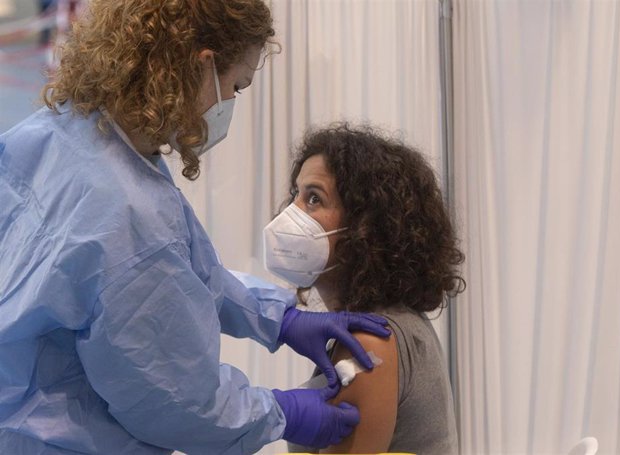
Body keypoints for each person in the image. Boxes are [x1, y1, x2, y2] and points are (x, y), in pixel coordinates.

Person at [0, 1, 392, 454]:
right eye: (236, 86)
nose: (229, 104)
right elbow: (176, 401)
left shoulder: (61, 133)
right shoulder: (129, 211)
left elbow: (169, 273)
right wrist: (283, 413)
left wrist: (277, 319)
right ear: (202, 66)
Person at [262, 124, 464, 454]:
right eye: (294, 195)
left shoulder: (370, 344)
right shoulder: (390, 324)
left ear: (366, 226)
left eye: (314, 198)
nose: (289, 214)